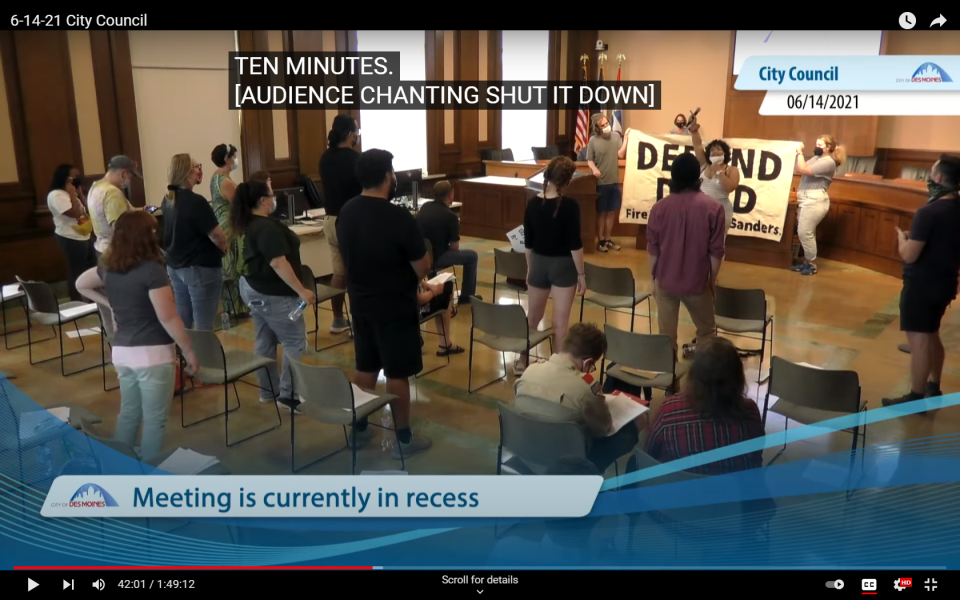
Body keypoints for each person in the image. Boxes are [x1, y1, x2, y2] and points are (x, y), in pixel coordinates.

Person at [75, 211, 199, 460]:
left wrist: (110, 304)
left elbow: (81, 284)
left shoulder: (108, 266)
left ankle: (121, 468)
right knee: (154, 420)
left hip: (122, 353)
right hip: (153, 354)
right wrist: (188, 350)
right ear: (147, 236)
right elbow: (167, 317)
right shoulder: (151, 271)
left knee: (129, 412)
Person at [336, 149, 433, 458]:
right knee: (397, 371)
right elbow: (422, 265)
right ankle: (404, 438)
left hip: (361, 302)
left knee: (365, 365)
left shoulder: (346, 212)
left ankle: (359, 430)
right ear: (388, 176)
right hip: (395, 305)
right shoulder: (398, 216)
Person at [883, 154, 960, 408]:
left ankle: (915, 397)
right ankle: (933, 386)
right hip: (946, 282)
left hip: (921, 285)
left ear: (938, 178)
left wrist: (901, 239)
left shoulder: (928, 212)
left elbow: (910, 255)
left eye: (931, 171)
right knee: (932, 334)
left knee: (919, 341)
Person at [232, 180, 315, 413]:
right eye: (271, 194)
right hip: (273, 294)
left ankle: (268, 391)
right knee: (295, 341)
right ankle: (288, 396)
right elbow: (278, 263)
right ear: (263, 200)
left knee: (265, 339)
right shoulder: (266, 228)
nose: (274, 198)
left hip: (252, 289)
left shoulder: (248, 223)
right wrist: (302, 290)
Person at [514, 323, 640, 473]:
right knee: (630, 431)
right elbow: (603, 429)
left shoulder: (530, 371)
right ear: (587, 362)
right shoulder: (585, 388)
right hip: (568, 463)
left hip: (526, 452)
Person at [642, 337, 764, 475]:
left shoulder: (669, 410)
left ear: (694, 373)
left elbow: (648, 456)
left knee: (633, 464)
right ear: (738, 376)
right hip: (734, 494)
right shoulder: (750, 413)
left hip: (678, 494)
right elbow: (755, 461)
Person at [647, 152, 725, 355]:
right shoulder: (714, 208)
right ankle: (703, 379)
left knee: (666, 336)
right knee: (706, 331)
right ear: (697, 177)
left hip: (665, 281)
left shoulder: (659, 208)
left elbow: (653, 250)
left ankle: (670, 382)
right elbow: (716, 253)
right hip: (697, 282)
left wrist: (653, 278)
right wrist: (711, 281)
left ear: (673, 177)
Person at [516, 156, 585, 375]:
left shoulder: (533, 204)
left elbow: (528, 242)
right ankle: (559, 368)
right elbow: (575, 244)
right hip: (564, 267)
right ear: (567, 181)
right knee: (560, 324)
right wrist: (581, 274)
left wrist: (529, 268)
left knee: (533, 318)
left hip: (538, 263)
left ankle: (521, 360)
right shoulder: (571, 206)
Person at [160, 154, 227, 331]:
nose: (200, 170)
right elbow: (217, 235)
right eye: (197, 167)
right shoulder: (197, 202)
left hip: (176, 266)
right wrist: (225, 249)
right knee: (204, 324)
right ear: (187, 172)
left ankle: (188, 356)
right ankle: (204, 358)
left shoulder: (167, 200)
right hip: (200, 268)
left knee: (185, 320)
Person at [319, 115, 361, 335]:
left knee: (339, 273)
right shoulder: (355, 160)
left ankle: (337, 319)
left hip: (329, 220)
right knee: (355, 273)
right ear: (349, 133)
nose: (358, 136)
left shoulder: (325, 158)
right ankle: (357, 322)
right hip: (350, 222)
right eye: (357, 131)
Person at [417, 180, 479, 304]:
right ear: (450, 195)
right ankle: (467, 296)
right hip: (438, 257)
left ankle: (432, 283)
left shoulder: (424, 207)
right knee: (472, 256)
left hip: (421, 257)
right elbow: (455, 247)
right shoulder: (451, 217)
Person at [793, 134, 846, 275]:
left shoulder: (828, 162)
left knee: (804, 232)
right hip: (806, 199)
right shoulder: (817, 158)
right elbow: (800, 166)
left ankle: (811, 264)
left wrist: (799, 153)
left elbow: (803, 170)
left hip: (814, 200)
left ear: (828, 148)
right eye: (816, 144)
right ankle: (805, 261)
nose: (817, 147)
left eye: (820, 145)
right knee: (807, 231)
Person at [47, 164, 96, 301]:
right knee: (77, 270)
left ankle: (93, 298)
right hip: (70, 237)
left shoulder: (73, 192)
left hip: (84, 234)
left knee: (91, 266)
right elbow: (74, 213)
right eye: (73, 177)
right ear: (64, 178)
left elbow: (87, 209)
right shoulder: (56, 195)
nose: (76, 179)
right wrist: (72, 195)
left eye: (78, 177)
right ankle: (77, 301)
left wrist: (79, 193)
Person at [210, 143, 248, 318]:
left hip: (221, 222)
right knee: (235, 266)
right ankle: (238, 308)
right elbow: (240, 206)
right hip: (229, 225)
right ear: (227, 159)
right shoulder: (225, 181)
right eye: (234, 156)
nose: (236, 159)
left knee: (229, 265)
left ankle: (231, 306)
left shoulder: (215, 177)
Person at [586, 114, 630, 252]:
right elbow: (589, 160)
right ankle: (600, 242)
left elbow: (621, 154)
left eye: (607, 123)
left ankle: (607, 239)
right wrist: (594, 169)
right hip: (600, 183)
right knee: (602, 213)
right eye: (603, 125)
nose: (606, 126)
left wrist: (626, 139)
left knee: (611, 213)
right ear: (597, 127)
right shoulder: (593, 140)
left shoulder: (616, 137)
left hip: (613, 181)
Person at [688, 120, 739, 233]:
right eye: (712, 150)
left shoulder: (732, 170)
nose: (715, 152)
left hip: (721, 211)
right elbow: (697, 145)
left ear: (725, 153)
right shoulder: (705, 165)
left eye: (719, 150)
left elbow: (730, 188)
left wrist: (719, 172)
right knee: (698, 241)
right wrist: (694, 131)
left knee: (717, 244)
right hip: (700, 210)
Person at [88, 155, 139, 257]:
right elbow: (121, 227)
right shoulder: (113, 193)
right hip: (116, 252)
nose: (129, 180)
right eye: (130, 176)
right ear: (123, 174)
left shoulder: (96, 187)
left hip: (101, 248)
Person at [417, 277, 461, 355]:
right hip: (415, 312)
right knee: (446, 291)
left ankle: (445, 344)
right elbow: (419, 300)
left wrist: (427, 285)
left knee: (446, 289)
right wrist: (434, 292)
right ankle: (445, 344)